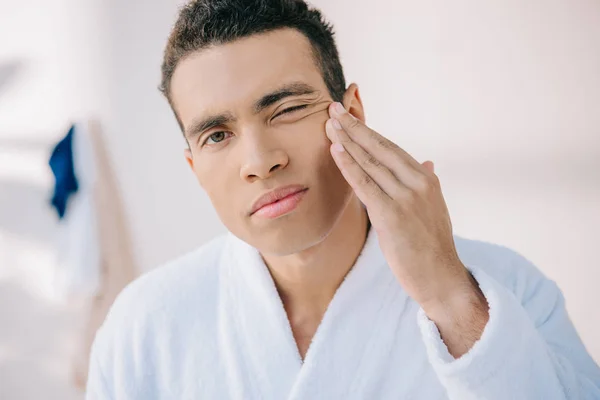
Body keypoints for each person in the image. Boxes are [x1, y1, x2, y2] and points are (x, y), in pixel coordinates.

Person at [85, 0, 600, 398]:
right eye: (217, 135)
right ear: (195, 167)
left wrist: (451, 298)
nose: (260, 161)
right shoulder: (144, 327)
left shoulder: (509, 290)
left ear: (351, 111)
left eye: (285, 108)